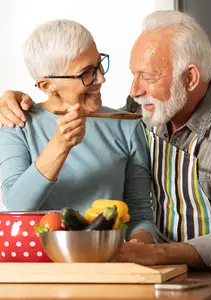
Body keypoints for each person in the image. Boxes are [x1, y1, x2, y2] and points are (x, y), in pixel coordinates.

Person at [0, 11, 211, 299]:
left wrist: (150, 251)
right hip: (170, 280)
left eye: (146, 77)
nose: (133, 90)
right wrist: (13, 99)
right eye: (133, 74)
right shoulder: (145, 109)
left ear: (190, 77)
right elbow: (17, 202)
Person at [0, 19, 156, 244]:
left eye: (99, 64)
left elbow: (140, 214)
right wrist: (59, 146)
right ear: (46, 85)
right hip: (40, 269)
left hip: (110, 264)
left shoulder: (127, 125)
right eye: (87, 73)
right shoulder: (17, 124)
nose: (101, 78)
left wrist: (138, 247)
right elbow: (17, 207)